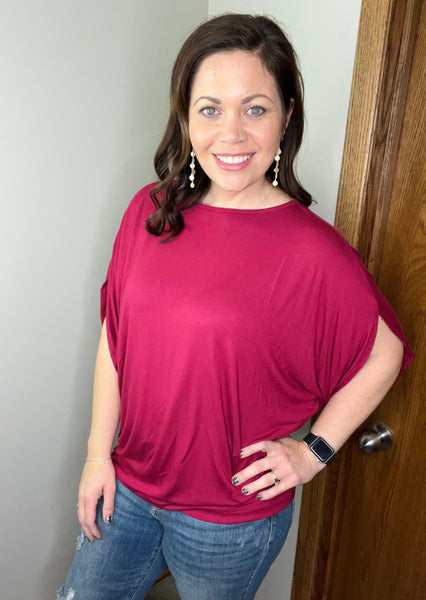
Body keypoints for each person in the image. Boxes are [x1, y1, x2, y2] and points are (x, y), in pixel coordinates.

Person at [57, 13, 413, 600]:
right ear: (186, 116)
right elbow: (115, 340)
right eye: (210, 109)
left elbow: (385, 352)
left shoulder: (312, 250)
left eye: (255, 109)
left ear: (286, 116)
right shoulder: (149, 212)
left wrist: (312, 453)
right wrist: (98, 456)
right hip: (127, 489)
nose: (231, 134)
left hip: (228, 522)